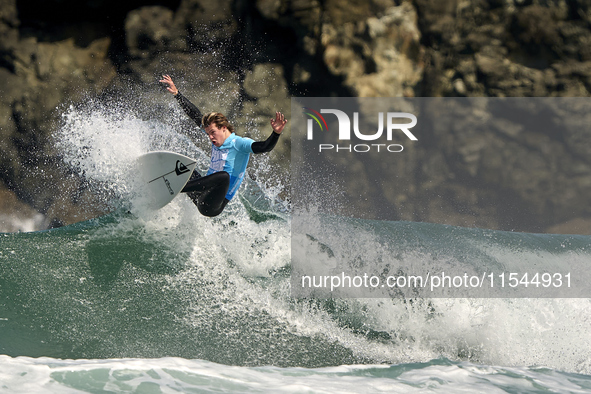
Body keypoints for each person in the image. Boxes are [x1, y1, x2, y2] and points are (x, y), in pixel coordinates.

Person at [159, 74, 287, 217]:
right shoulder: (216, 139)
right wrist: (177, 94)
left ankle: (175, 188)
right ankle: (161, 185)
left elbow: (264, 147)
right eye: (208, 133)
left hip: (211, 206)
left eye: (213, 132)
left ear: (224, 128)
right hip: (200, 195)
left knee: (223, 177)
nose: (210, 137)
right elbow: (195, 115)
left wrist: (276, 133)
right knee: (182, 165)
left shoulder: (239, 143)